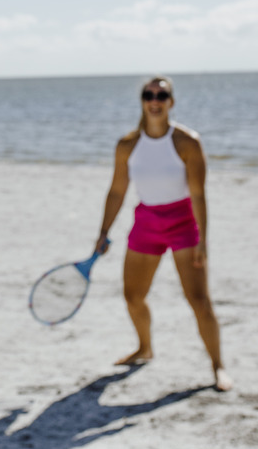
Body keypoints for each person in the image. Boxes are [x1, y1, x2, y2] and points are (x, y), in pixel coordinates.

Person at [94, 76, 231, 392]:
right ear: (142, 100)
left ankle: (218, 366)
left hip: (183, 223)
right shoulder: (127, 145)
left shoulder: (187, 142)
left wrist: (202, 241)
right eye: (148, 94)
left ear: (171, 101)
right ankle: (144, 348)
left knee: (198, 300)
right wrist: (103, 231)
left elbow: (198, 195)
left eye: (161, 94)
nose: (154, 100)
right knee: (132, 296)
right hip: (146, 222)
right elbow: (116, 191)